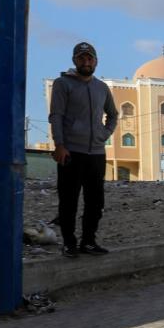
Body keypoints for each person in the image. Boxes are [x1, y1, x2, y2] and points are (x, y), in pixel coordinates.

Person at [49, 41, 117, 257]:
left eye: (90, 58)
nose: (86, 62)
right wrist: (59, 144)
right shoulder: (63, 84)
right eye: (81, 58)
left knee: (96, 201)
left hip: (96, 153)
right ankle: (69, 243)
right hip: (70, 152)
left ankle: (89, 241)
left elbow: (113, 114)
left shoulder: (101, 87)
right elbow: (56, 116)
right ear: (74, 61)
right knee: (69, 201)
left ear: (96, 62)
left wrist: (104, 134)